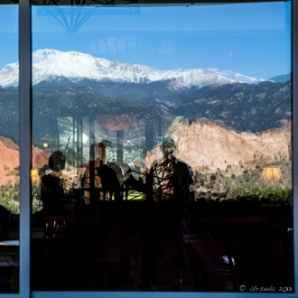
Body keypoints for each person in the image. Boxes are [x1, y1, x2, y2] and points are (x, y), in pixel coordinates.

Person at [139, 138, 195, 290]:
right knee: (159, 246)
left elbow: (187, 192)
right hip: (164, 212)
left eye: (169, 148)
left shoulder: (180, 167)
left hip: (173, 212)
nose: (168, 151)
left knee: (175, 246)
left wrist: (184, 212)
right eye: (166, 148)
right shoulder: (162, 166)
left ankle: (176, 278)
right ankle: (154, 279)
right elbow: (152, 191)